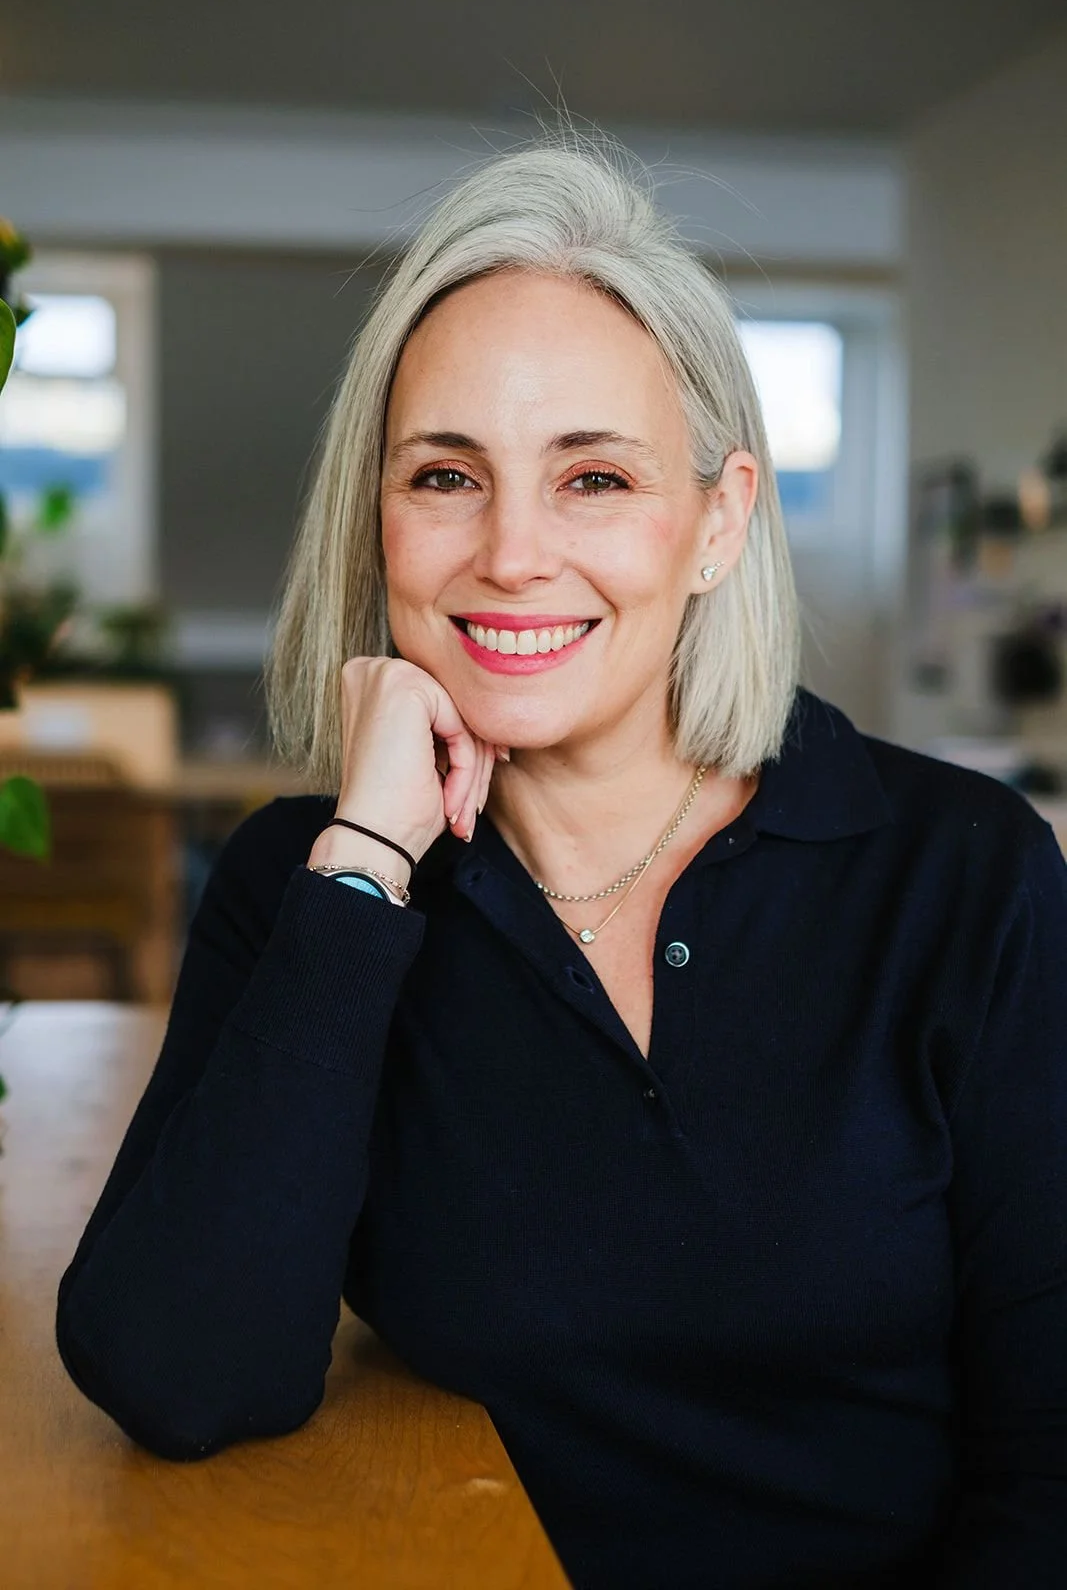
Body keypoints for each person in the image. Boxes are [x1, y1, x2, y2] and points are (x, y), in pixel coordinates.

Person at [56, 138, 1067, 1589]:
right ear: (378, 517)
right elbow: (180, 1377)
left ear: (716, 523)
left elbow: (1047, 1464)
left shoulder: (960, 880)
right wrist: (365, 858)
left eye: (592, 478)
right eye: (445, 477)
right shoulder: (321, 888)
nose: (511, 555)